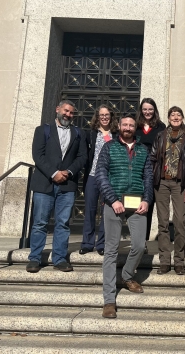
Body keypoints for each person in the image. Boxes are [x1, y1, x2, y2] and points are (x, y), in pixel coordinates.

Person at [96, 113, 153, 319]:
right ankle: (109, 300)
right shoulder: (109, 147)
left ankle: (127, 275)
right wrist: (113, 199)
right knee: (111, 250)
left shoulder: (142, 150)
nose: (128, 127)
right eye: (124, 124)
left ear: (135, 127)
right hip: (114, 203)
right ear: (118, 126)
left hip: (136, 204)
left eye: (131, 125)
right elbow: (101, 174)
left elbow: (148, 176)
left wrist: (147, 199)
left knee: (138, 245)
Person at [26, 100, 87, 273]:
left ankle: (59, 258)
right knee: (39, 223)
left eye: (71, 113)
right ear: (57, 109)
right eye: (66, 111)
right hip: (44, 183)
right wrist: (54, 173)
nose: (68, 114)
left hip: (67, 185)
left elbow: (82, 157)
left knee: (63, 223)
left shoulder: (78, 133)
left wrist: (68, 171)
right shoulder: (42, 130)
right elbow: (38, 155)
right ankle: (35, 258)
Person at [150, 106, 185, 275]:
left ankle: (179, 261)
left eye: (178, 115)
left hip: (180, 184)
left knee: (180, 222)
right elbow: (153, 158)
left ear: (182, 118)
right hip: (162, 182)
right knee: (162, 222)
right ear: (168, 118)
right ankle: (164, 261)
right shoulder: (161, 136)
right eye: (172, 115)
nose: (175, 117)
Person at [80, 105, 118, 256]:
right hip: (92, 175)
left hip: (109, 178)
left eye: (107, 115)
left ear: (111, 116)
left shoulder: (116, 134)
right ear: (97, 116)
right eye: (101, 115)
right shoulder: (91, 134)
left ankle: (102, 243)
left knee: (106, 211)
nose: (104, 117)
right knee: (90, 209)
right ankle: (87, 243)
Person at [134, 98, 166, 248]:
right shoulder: (135, 126)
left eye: (150, 109)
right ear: (141, 110)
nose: (147, 112)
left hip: (153, 171)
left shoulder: (160, 127)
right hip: (135, 171)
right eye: (145, 109)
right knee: (134, 205)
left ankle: (144, 241)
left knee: (148, 205)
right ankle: (135, 240)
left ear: (155, 111)